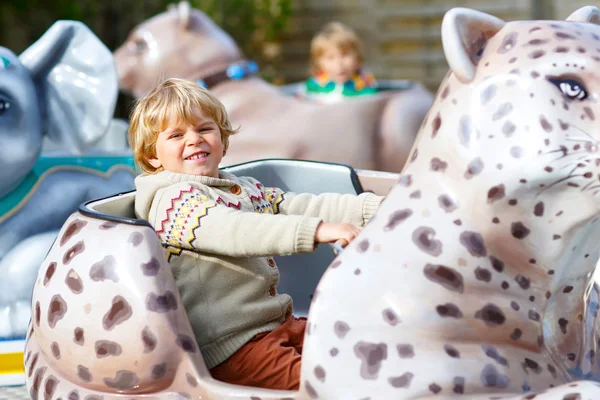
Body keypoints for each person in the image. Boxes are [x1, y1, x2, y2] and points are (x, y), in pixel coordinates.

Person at [130, 78, 383, 390]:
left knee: (367, 349)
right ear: (153, 156)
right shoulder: (173, 202)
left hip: (279, 325)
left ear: (222, 138)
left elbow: (299, 205)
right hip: (235, 348)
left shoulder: (241, 187)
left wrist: (380, 208)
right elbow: (236, 230)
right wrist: (318, 231)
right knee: (328, 385)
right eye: (177, 135)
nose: (194, 140)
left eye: (204, 129)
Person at [299, 21, 378, 104]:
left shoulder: (365, 87)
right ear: (319, 63)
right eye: (330, 58)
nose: (339, 64)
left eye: (345, 55)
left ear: (357, 58)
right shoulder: (314, 86)